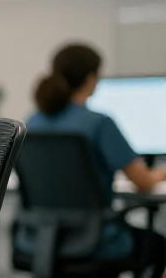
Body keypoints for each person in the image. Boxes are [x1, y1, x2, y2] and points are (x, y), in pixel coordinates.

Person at [20, 43, 166, 276]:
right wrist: (162, 173)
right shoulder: (99, 123)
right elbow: (144, 182)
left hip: (41, 238)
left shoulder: (33, 121)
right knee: (158, 245)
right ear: (91, 78)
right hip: (96, 240)